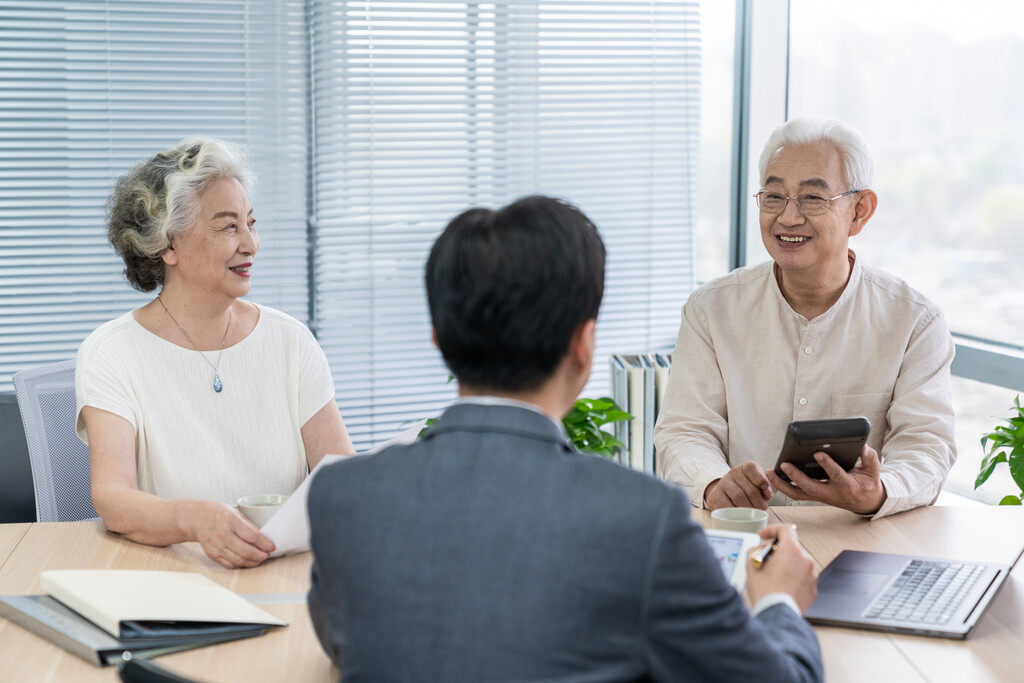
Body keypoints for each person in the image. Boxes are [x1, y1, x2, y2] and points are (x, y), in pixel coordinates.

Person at [307, 196, 822, 682]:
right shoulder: (641, 517)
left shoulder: (340, 495)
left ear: (439, 341)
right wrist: (779, 600)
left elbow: (351, 644)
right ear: (584, 346)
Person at [654, 117, 956, 519]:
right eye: (774, 196)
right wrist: (713, 483)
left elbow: (927, 446)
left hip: (859, 538)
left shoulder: (914, 322)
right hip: (744, 533)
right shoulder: (711, 309)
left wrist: (879, 491)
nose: (788, 218)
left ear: (859, 211)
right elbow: (683, 430)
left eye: (812, 198)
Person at [76, 137, 354, 568]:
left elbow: (340, 477)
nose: (251, 243)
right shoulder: (112, 353)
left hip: (287, 573)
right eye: (228, 226)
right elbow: (113, 499)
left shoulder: (290, 341)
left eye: (251, 222)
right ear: (168, 244)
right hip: (175, 578)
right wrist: (195, 520)